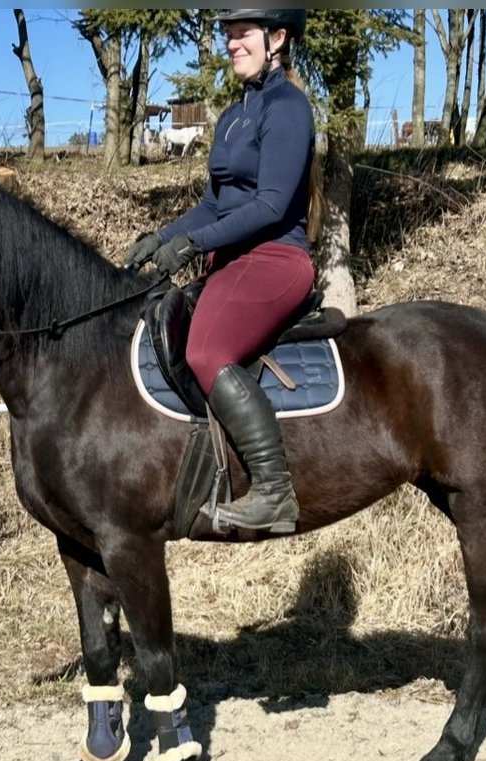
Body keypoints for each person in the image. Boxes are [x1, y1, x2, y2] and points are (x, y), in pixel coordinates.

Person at [124, 9, 319, 535]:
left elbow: (273, 205)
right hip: (233, 259)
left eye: (243, 34)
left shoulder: (289, 108)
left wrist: (193, 246)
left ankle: (275, 491)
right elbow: (213, 206)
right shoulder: (235, 116)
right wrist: (162, 237)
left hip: (277, 258)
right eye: (229, 35)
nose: (233, 44)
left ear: (277, 38)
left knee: (206, 351)